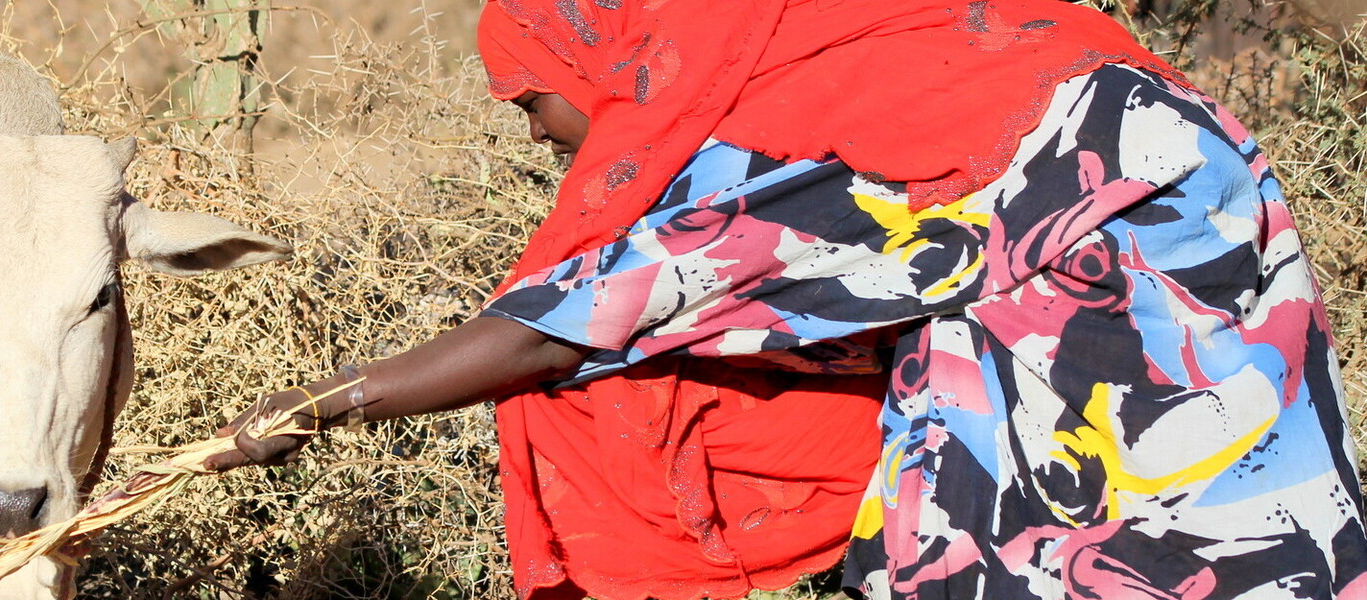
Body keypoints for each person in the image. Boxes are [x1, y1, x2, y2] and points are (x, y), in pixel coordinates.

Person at [207, 0, 1367, 597]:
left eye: (530, 101)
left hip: (1118, 374)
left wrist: (319, 406)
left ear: (612, 56)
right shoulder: (885, 48)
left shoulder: (837, 138)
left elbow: (596, 313)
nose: (535, 136)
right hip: (1206, 317)